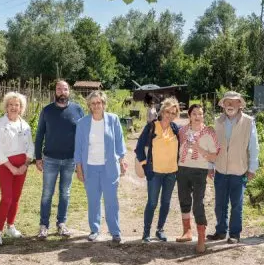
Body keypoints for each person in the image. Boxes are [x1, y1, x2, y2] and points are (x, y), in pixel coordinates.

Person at [74, 91, 128, 244]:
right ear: (89, 106)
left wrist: (122, 160)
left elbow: (120, 142)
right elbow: (78, 148)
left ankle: (115, 232)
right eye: (93, 103)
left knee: (111, 201)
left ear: (104, 104)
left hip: (109, 167)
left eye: (99, 102)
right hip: (90, 167)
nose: (96, 105)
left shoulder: (113, 119)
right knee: (93, 201)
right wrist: (79, 168)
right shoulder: (82, 123)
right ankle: (94, 229)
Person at [34, 80, 85, 239]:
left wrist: (80, 160)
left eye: (65, 89)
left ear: (69, 91)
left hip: (70, 160)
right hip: (50, 159)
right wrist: (37, 157)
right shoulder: (47, 111)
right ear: (55, 91)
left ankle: (61, 224)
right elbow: (39, 134)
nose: (62, 92)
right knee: (47, 193)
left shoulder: (77, 110)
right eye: (59, 89)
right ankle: (43, 225)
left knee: (65, 193)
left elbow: (82, 136)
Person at [208, 91, 260, 244]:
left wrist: (252, 169)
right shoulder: (218, 121)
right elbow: (213, 146)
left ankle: (235, 234)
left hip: (239, 170)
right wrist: (210, 166)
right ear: (223, 105)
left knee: (236, 204)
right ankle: (220, 231)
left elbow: (254, 147)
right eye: (227, 102)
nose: (229, 105)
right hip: (220, 169)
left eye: (233, 102)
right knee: (219, 204)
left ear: (239, 104)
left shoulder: (249, 122)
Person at [135, 97, 180, 242]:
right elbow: (139, 147)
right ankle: (146, 232)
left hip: (171, 173)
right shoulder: (152, 127)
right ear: (162, 111)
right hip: (155, 173)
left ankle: (160, 230)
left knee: (166, 203)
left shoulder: (176, 129)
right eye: (167, 111)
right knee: (152, 203)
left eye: (173, 113)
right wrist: (144, 164)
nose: (169, 115)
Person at [0, 92, 34, 245]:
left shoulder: (25, 125)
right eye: (11, 105)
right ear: (6, 107)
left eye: (17, 105)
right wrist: (11, 167)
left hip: (22, 167)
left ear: (21, 108)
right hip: (5, 166)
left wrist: (25, 165)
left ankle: (11, 226)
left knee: (15, 198)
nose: (14, 108)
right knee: (7, 198)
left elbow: (30, 147)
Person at [176, 104, 220, 253]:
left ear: (203, 116)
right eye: (194, 113)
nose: (197, 117)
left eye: (200, 114)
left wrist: (198, 149)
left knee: (198, 203)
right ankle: (187, 231)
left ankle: (201, 238)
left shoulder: (209, 133)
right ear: (189, 115)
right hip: (182, 168)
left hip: (199, 170)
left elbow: (214, 155)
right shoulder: (182, 131)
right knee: (183, 199)